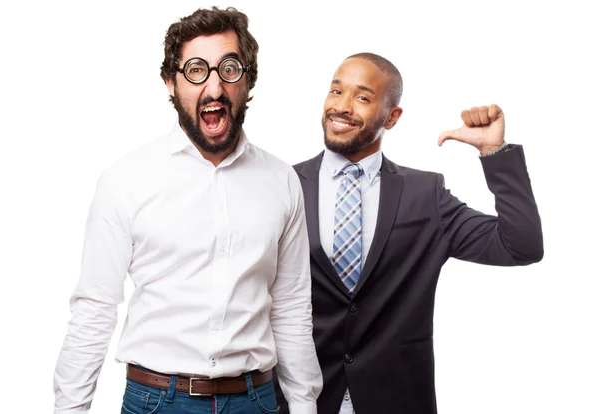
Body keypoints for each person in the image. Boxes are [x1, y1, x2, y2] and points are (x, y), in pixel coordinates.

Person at [53, 7, 322, 414]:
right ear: (171, 81)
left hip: (256, 401)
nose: (214, 87)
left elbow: (291, 306)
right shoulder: (126, 179)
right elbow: (95, 308)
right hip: (156, 401)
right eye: (196, 70)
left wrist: (305, 406)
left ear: (247, 79)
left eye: (229, 68)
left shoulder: (281, 181)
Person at [275, 53, 544, 414]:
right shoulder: (282, 185)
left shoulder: (425, 194)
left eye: (362, 97)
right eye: (336, 91)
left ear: (392, 116)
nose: (341, 106)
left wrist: (494, 152)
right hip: (299, 402)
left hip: (397, 400)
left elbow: (521, 246)